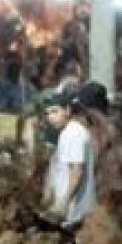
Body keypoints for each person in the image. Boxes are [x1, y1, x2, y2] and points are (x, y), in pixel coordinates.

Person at [42, 88, 97, 225]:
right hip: (70, 213)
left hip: (74, 214)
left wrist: (62, 203)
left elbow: (77, 171)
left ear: (67, 110)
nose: (50, 117)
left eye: (55, 111)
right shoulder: (67, 132)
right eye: (48, 113)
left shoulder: (73, 133)